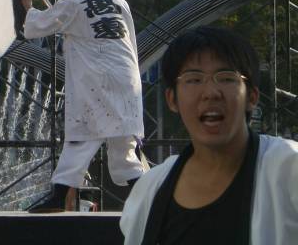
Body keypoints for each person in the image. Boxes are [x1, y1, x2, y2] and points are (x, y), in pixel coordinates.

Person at [120, 26, 298, 244]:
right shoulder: (150, 189)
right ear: (172, 99)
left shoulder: (289, 170)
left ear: (252, 97)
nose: (211, 93)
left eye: (226, 78)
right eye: (194, 79)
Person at [21, 0, 146, 213]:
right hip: (127, 78)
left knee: (81, 138)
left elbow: (36, 27)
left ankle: (59, 198)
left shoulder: (74, 3)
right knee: (125, 150)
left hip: (96, 81)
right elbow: (132, 43)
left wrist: (29, 8)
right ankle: (150, 199)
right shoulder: (119, 3)